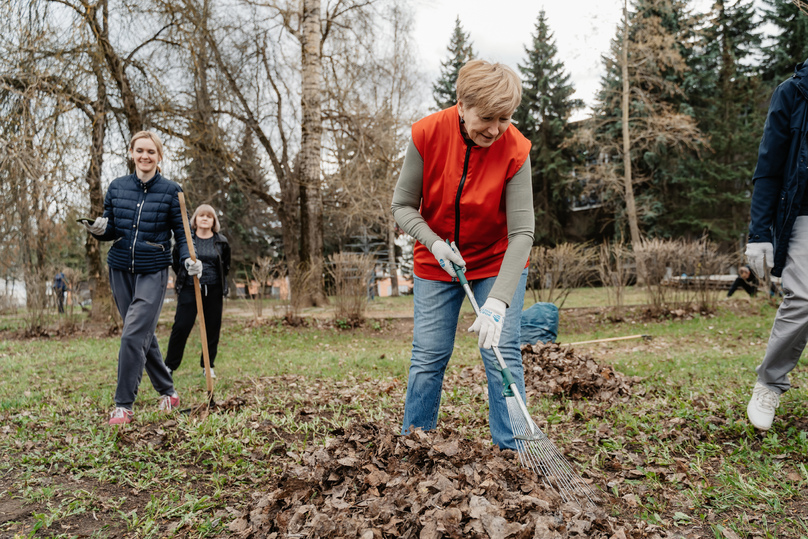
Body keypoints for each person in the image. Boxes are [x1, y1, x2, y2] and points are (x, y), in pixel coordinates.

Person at [391, 59, 534, 450]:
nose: (495, 129)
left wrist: (498, 302)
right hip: (436, 260)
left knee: (501, 352)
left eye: (504, 118)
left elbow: (522, 232)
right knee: (429, 355)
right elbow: (402, 206)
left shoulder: (516, 150)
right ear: (461, 105)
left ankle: (515, 448)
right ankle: (416, 443)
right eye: (487, 117)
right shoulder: (427, 135)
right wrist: (433, 242)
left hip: (495, 261)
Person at [82, 131, 201, 425]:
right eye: (140, 151)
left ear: (159, 157)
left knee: (133, 333)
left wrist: (189, 258)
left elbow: (183, 233)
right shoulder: (117, 187)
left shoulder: (172, 191)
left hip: (153, 270)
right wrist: (99, 229)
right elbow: (111, 228)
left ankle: (123, 405)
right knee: (141, 336)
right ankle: (168, 392)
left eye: (151, 152)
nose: (145, 156)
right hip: (120, 268)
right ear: (131, 153)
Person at [744, 57, 808, 431]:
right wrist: (759, 235)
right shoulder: (793, 93)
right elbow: (768, 168)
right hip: (803, 213)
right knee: (802, 297)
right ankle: (770, 381)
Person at [164, 204, 230, 379]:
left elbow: (225, 265)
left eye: (209, 216)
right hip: (189, 288)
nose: (205, 218)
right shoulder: (186, 240)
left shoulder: (221, 242)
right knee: (181, 326)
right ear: (195, 219)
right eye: (202, 215)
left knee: (212, 328)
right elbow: (176, 262)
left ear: (214, 221)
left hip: (213, 289)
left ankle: (208, 366)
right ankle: (169, 366)